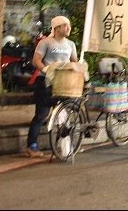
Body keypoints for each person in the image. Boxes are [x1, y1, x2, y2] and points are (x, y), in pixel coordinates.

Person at [24, 16, 78, 158]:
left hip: (63, 84)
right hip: (45, 83)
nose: (68, 28)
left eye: (69, 25)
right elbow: (36, 60)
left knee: (63, 115)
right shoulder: (45, 42)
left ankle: (66, 148)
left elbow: (74, 62)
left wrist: (75, 71)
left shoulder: (71, 44)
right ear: (57, 28)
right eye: (65, 25)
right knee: (41, 115)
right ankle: (32, 146)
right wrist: (47, 70)